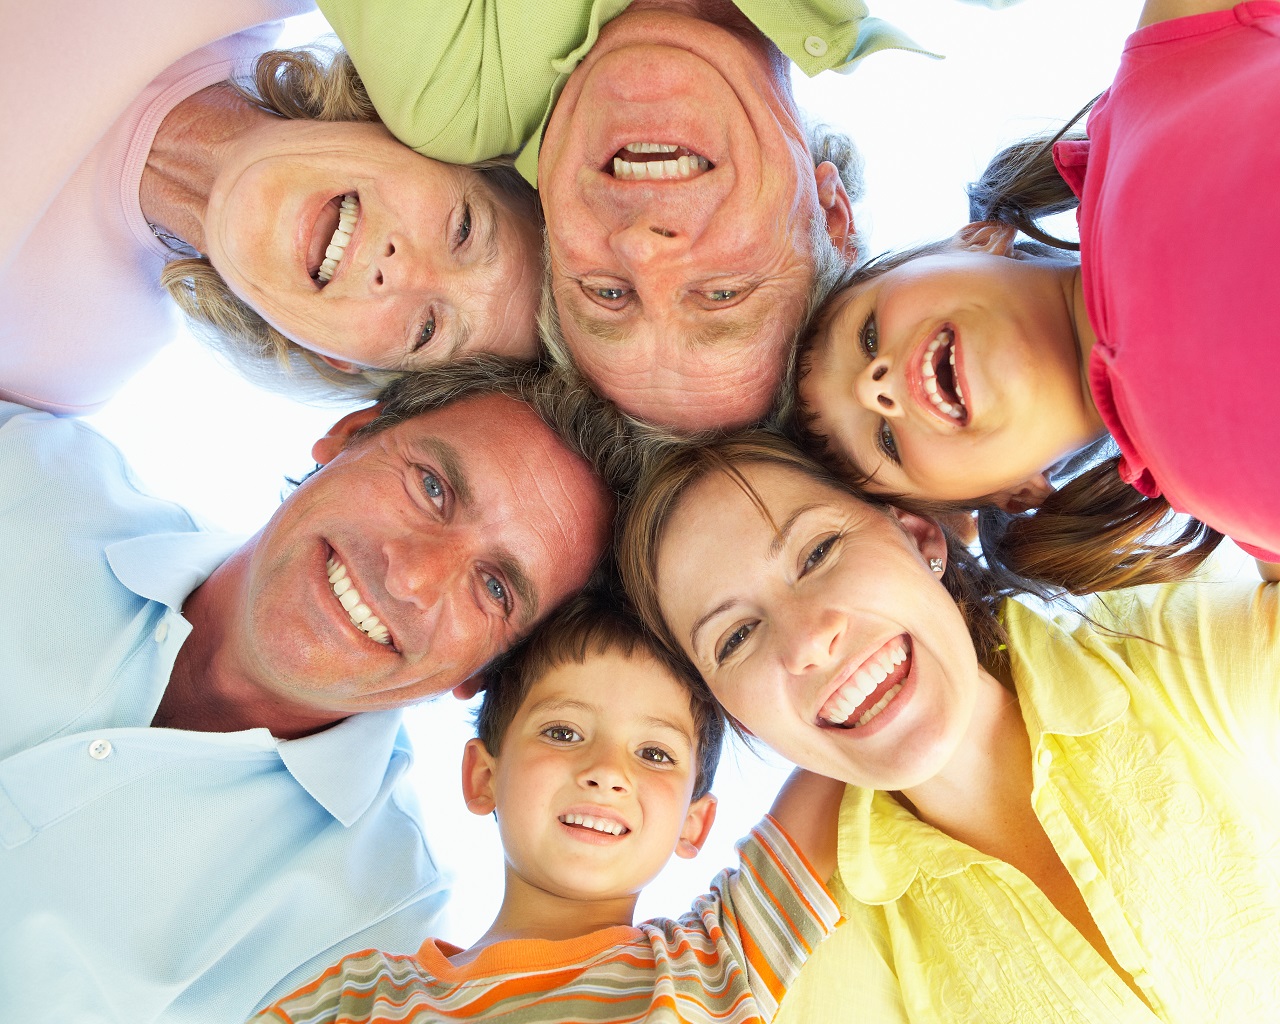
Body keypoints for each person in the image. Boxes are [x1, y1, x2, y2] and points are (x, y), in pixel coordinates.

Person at [0, 358, 618, 1022]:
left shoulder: (373, 949)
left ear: (484, 673)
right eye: (433, 488)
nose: (410, 577)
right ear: (351, 435)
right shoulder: (26, 471)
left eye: (493, 588)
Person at [617, 429, 1280, 1022]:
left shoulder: (1173, 651)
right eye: (735, 637)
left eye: (818, 552)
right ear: (742, 717)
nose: (809, 642)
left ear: (919, 535)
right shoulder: (819, 955)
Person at [317, 0, 1020, 431]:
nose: (645, 248)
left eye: (607, 292)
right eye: (721, 294)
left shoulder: (454, 93)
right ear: (831, 216)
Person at [792, 0, 1280, 590]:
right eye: (886, 442)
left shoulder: (1167, 64)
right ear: (1013, 494)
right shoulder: (1237, 511)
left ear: (973, 240)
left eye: (867, 334)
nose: (876, 386)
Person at [252, 589, 845, 1024]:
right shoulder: (359, 999)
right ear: (484, 777)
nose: (609, 772)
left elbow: (845, 733)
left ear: (695, 823)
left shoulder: (716, 962)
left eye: (655, 753)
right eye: (563, 732)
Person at [2, 0, 543, 415]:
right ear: (439, 145)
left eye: (426, 330)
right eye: (465, 229)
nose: (401, 269)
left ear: (339, 356)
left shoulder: (67, 364)